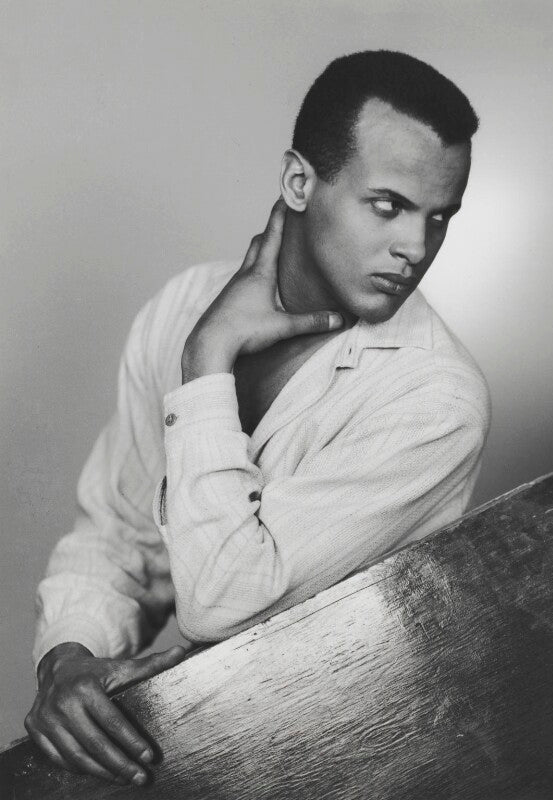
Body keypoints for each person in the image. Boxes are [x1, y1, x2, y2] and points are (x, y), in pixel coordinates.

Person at [25, 50, 491, 786]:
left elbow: (223, 604)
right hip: (184, 755)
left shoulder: (435, 401)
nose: (417, 247)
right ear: (299, 183)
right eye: (388, 205)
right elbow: (118, 534)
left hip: (349, 769)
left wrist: (208, 362)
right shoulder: (184, 304)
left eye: (440, 217)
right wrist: (70, 657)